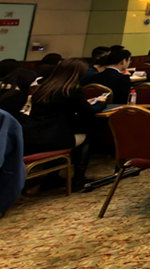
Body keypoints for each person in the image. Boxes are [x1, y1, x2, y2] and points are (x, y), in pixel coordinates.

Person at [20, 59, 106, 190]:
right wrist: (101, 102)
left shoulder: (43, 88)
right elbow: (89, 112)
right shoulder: (72, 89)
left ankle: (52, 178)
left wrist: (84, 102)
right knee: (87, 137)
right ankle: (78, 180)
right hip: (55, 137)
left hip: (32, 136)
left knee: (68, 135)